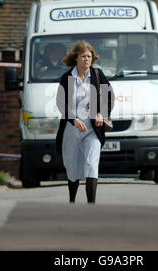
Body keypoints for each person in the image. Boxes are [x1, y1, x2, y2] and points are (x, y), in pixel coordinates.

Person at [55, 41, 115, 204]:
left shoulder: (97, 74)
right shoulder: (67, 78)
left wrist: (103, 114)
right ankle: (72, 201)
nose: (86, 59)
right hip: (72, 127)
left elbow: (109, 96)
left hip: (93, 129)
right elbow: (61, 103)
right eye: (83, 56)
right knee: (72, 168)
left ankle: (91, 205)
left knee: (91, 164)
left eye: (89, 56)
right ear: (76, 58)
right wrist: (73, 120)